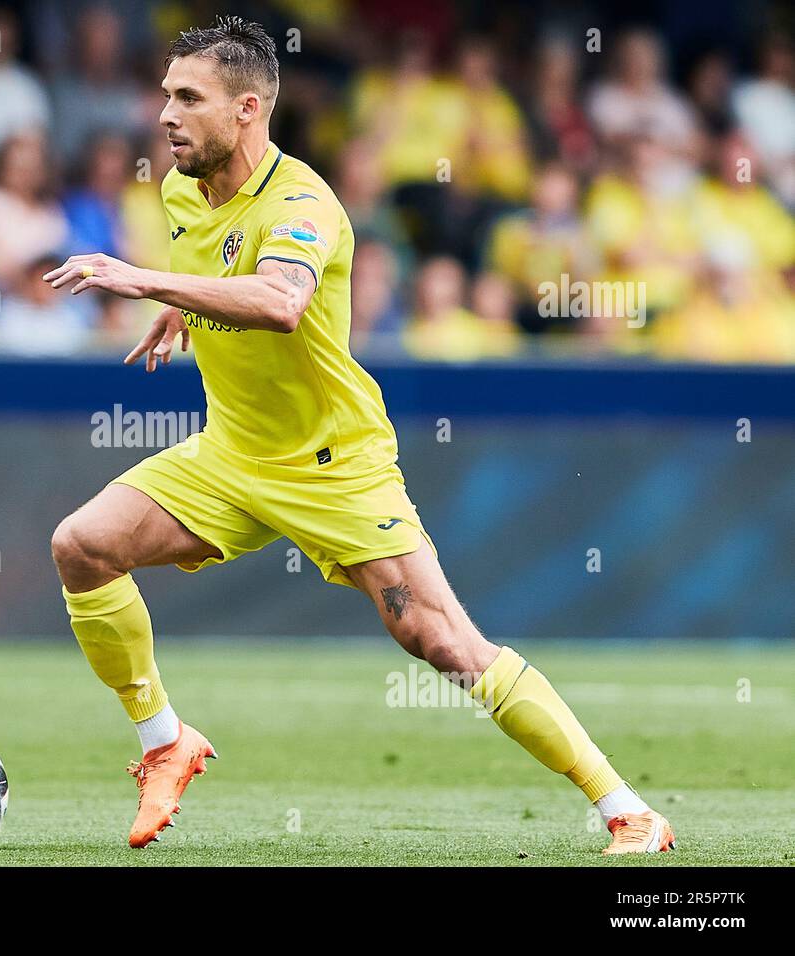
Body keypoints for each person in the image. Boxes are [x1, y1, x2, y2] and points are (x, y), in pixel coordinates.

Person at [42, 17, 675, 854]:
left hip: (334, 464)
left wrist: (138, 279)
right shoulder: (178, 191)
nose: (164, 114)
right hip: (233, 454)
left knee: (440, 639)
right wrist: (180, 302)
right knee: (81, 547)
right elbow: (227, 269)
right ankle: (166, 741)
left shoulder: (305, 203)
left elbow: (279, 302)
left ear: (248, 108)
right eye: (164, 94)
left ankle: (626, 808)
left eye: (187, 97)